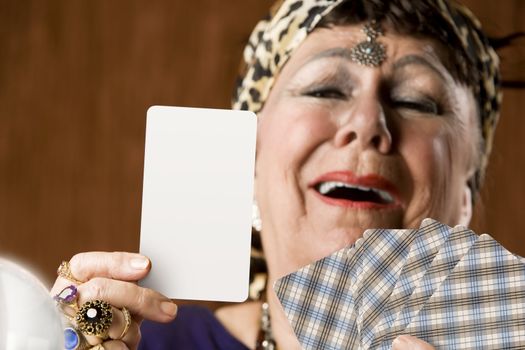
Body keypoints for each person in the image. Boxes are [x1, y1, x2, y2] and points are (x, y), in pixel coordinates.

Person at [51, 0, 504, 349]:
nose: (368, 124)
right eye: (325, 89)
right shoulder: (140, 344)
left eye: (417, 102)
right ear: (248, 166)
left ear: (468, 189)